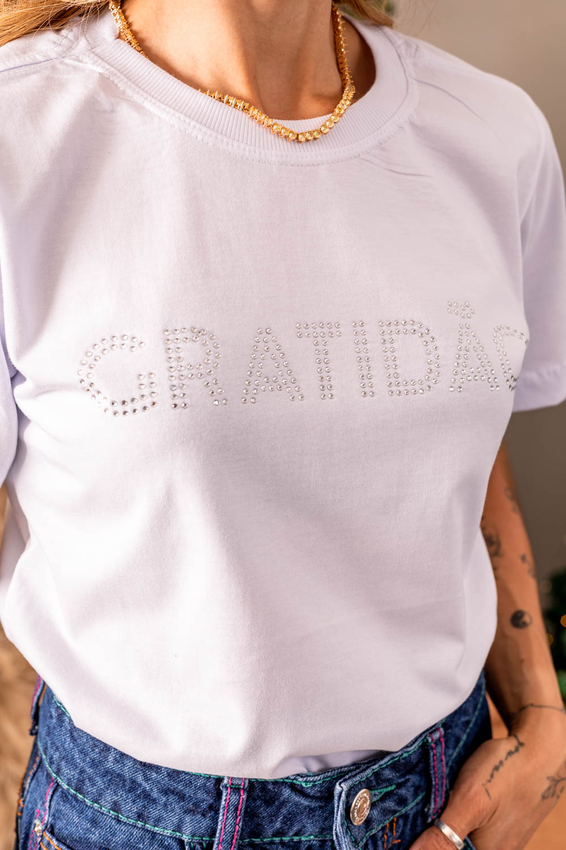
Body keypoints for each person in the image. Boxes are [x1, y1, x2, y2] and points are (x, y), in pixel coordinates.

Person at [1, 0, 565, 848]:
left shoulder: (493, 130)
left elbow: (461, 446)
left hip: (452, 798)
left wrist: (541, 716)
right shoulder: (23, 133)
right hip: (141, 820)